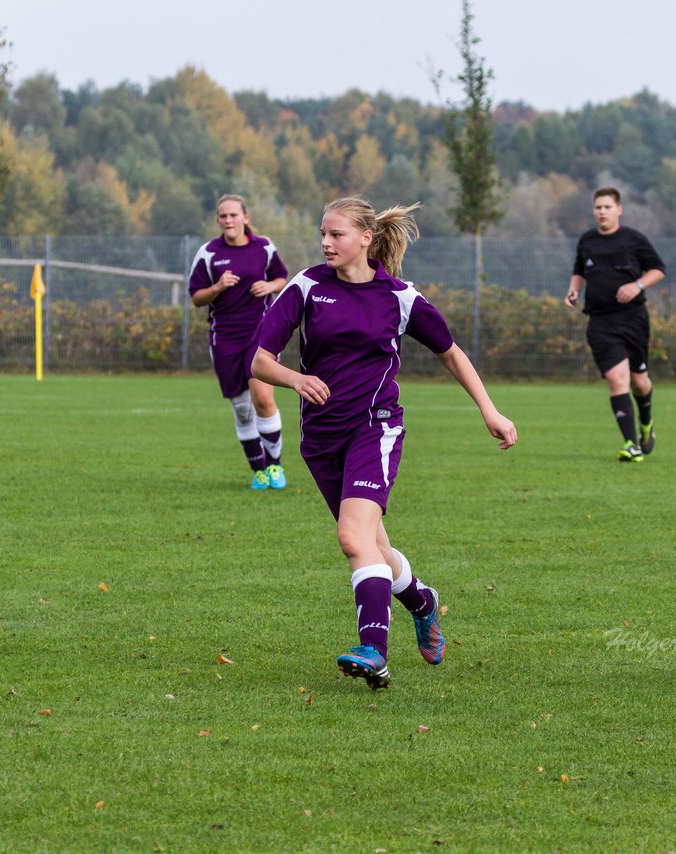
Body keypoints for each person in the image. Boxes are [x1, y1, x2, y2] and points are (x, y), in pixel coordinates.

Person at [251, 197, 517, 690]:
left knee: (353, 539)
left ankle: (374, 650)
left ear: (366, 238)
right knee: (373, 545)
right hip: (321, 437)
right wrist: (295, 378)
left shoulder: (400, 297)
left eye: (337, 234)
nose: (326, 243)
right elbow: (261, 361)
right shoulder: (306, 287)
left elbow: (450, 353)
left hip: (376, 429)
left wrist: (489, 409)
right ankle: (421, 600)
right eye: (323, 234)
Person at [188, 194, 291, 490]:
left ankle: (275, 467)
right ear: (218, 220)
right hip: (224, 339)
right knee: (243, 408)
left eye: (233, 215)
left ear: (245, 218)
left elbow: (282, 277)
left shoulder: (264, 247)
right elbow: (196, 298)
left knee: (263, 399)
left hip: (260, 335)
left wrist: (269, 285)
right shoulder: (209, 253)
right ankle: (258, 470)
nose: (228, 220)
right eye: (223, 216)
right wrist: (217, 287)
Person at [565, 187, 666, 462]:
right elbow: (578, 271)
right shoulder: (587, 241)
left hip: (633, 319)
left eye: (607, 207)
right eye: (598, 207)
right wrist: (573, 290)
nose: (602, 212)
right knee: (616, 378)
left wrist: (637, 285)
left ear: (618, 209)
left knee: (640, 382)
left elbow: (658, 269)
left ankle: (647, 422)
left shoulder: (633, 239)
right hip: (600, 321)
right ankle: (631, 444)